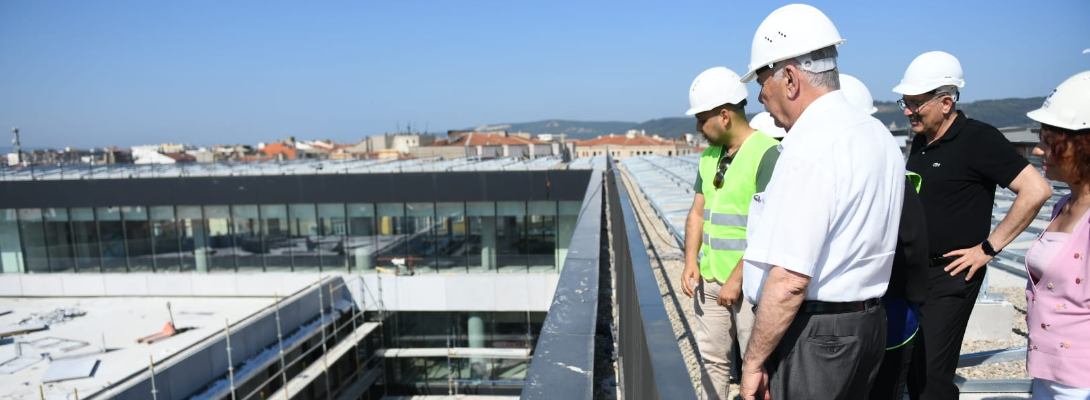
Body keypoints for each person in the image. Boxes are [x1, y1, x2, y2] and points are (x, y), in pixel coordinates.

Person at [737, 4, 906, 399]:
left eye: (762, 82)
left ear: (791, 79)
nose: (760, 97)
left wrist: (754, 362)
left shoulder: (810, 147)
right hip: (868, 325)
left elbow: (790, 281)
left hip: (817, 337)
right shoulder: (878, 134)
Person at [895, 51, 1053, 400]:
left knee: (931, 379)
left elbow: (1036, 189)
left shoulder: (978, 139)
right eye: (904, 102)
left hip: (950, 275)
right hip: (914, 273)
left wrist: (988, 248)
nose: (907, 111)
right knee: (911, 367)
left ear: (946, 102)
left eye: (915, 103)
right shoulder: (921, 142)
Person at [679, 66, 780, 400]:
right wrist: (690, 261)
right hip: (709, 279)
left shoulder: (767, 153)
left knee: (758, 366)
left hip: (752, 285)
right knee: (711, 362)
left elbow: (773, 227)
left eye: (701, 119)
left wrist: (738, 276)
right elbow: (697, 214)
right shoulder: (709, 157)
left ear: (724, 116)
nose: (697, 127)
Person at [841, 72, 930, 400]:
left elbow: (911, 247)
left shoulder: (884, 175)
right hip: (883, 314)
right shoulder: (885, 168)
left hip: (887, 317)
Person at [1023, 71, 1090, 399]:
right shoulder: (1065, 203)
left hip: (1081, 380)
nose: (1038, 151)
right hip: (1049, 370)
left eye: (1049, 142)